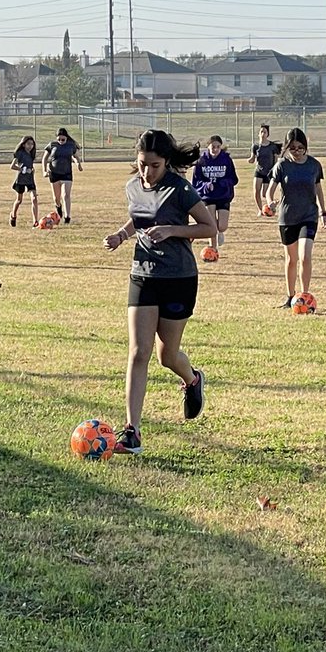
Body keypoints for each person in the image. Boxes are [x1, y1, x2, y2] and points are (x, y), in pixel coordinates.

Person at [103, 129, 216, 455]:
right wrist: (120, 236)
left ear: (166, 163)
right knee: (139, 351)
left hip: (179, 277)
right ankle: (132, 432)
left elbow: (210, 227)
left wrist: (173, 230)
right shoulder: (133, 186)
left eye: (154, 166)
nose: (146, 172)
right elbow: (138, 218)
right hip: (143, 275)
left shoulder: (180, 189)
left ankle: (193, 379)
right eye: (142, 165)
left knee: (167, 356)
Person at [264, 127, 326, 307]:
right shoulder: (282, 165)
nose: (297, 152)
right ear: (286, 148)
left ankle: (304, 296)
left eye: (301, 147)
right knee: (291, 259)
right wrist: (270, 202)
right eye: (292, 148)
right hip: (287, 217)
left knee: (305, 256)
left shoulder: (314, 165)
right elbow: (270, 191)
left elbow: (318, 188)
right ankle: (290, 296)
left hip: (308, 215)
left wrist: (323, 211)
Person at [191, 135, 239, 255]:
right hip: (208, 197)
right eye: (213, 147)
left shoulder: (226, 159)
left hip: (223, 195)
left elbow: (234, 179)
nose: (215, 149)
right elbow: (196, 182)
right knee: (211, 223)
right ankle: (213, 249)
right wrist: (206, 186)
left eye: (218, 147)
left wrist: (223, 183)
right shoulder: (201, 160)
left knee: (222, 226)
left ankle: (219, 232)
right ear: (208, 146)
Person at [41, 127, 83, 222]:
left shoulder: (71, 146)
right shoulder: (52, 145)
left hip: (67, 174)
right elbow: (44, 158)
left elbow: (75, 156)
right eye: (58, 139)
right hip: (54, 173)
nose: (61, 141)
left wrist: (78, 164)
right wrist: (44, 171)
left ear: (66, 138)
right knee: (56, 198)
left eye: (63, 139)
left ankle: (67, 217)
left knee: (66, 195)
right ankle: (58, 207)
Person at [247, 122, 282, 216]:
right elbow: (253, 158)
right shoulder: (255, 146)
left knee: (264, 194)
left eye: (265, 132)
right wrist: (250, 160)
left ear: (268, 134)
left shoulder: (272, 147)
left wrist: (275, 171)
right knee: (256, 191)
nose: (263, 134)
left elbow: (276, 160)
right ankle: (260, 210)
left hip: (268, 172)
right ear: (258, 134)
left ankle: (272, 205)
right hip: (259, 171)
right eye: (261, 132)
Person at [9, 135, 39, 227]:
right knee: (19, 200)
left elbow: (30, 165)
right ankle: (13, 215)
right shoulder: (20, 154)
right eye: (28, 144)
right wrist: (22, 169)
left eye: (32, 144)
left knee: (34, 198)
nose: (30, 146)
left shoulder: (31, 154)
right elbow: (12, 166)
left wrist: (32, 170)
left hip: (30, 179)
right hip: (21, 179)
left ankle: (35, 221)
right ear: (23, 144)